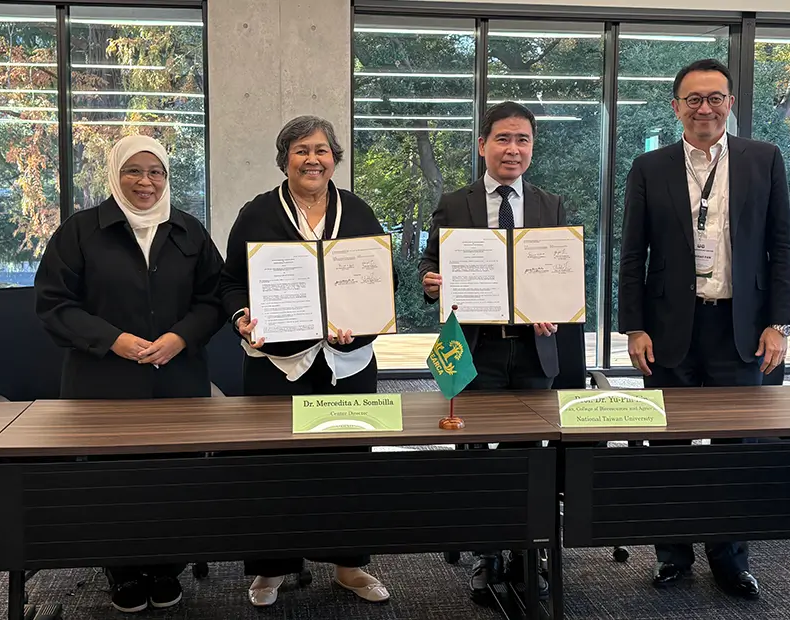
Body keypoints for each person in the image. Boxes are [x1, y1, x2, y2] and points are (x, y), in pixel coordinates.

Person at [618, 58, 790, 600]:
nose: (705, 108)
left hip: (740, 329)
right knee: (668, 447)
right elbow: (632, 257)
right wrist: (633, 328)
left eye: (715, 97)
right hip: (670, 328)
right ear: (676, 107)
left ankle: (730, 560)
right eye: (693, 99)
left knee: (733, 450)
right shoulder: (649, 167)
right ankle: (672, 555)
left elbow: (782, 247)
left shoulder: (763, 160)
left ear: (730, 103)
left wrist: (779, 323)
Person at [34, 135, 225, 613]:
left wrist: (180, 337)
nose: (145, 182)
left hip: (177, 378)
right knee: (111, 480)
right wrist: (112, 340)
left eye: (155, 172)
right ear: (114, 175)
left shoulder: (189, 231)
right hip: (102, 381)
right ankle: (120, 570)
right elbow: (54, 305)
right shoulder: (81, 231)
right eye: (133, 171)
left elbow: (213, 298)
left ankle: (166, 566)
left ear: (167, 177)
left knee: (175, 477)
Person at [219, 115, 391, 608]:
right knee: (275, 466)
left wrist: (358, 321)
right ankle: (272, 568)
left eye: (320, 150)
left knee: (349, 464)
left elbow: (383, 285)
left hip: (348, 361)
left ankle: (349, 565)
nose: (311, 159)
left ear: (334, 158)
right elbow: (231, 281)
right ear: (285, 159)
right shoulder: (257, 213)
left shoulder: (358, 212)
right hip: (277, 364)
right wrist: (241, 316)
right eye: (300, 150)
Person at [418, 101, 564, 602]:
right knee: (476, 453)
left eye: (523, 140)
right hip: (475, 351)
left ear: (532, 148)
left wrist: (555, 305)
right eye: (503, 138)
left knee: (530, 456)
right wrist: (432, 282)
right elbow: (431, 259)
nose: (513, 149)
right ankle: (487, 554)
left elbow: (559, 272)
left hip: (532, 351)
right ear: (482, 145)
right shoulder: (455, 203)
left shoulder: (550, 204)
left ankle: (529, 553)